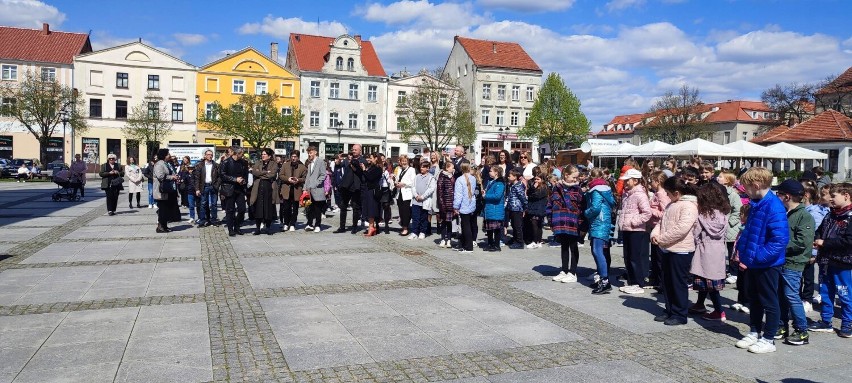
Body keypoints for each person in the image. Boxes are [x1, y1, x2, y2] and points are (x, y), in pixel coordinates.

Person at [734, 167, 789, 354]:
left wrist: (759, 256)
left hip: (767, 263)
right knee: (754, 299)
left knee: (769, 301)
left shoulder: (773, 206)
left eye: (746, 188)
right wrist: (744, 252)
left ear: (756, 185)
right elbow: (750, 231)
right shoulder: (757, 203)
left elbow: (779, 240)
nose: (744, 191)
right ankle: (754, 331)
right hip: (753, 261)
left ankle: (769, 338)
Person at [769, 179, 815, 345]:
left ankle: (802, 330)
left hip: (793, 263)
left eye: (779, 194)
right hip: (781, 261)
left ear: (786, 196)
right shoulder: (784, 212)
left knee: (791, 296)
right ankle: (782, 326)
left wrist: (778, 245)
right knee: (780, 295)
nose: (777, 197)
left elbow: (802, 242)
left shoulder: (804, 216)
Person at [651, 177, 698, 325]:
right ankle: (670, 309)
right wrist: (655, 234)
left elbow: (682, 229)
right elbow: (661, 222)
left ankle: (679, 314)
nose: (666, 195)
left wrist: (662, 238)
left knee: (678, 283)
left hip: (681, 250)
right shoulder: (671, 204)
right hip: (667, 249)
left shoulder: (689, 206)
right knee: (666, 282)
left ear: (676, 193)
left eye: (668, 192)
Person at [810, 182, 852, 338]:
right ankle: (825, 321)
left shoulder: (850, 217)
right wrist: (817, 239)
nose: (831, 199)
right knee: (825, 292)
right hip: (825, 261)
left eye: (834, 196)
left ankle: (848, 323)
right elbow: (819, 231)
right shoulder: (830, 214)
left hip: (843, 263)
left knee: (845, 294)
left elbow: (849, 241)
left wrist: (825, 243)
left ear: (846, 196)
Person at [688, 183, 732, 321]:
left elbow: (695, 234)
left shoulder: (702, 215)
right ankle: (700, 304)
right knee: (710, 280)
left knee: (709, 284)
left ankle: (719, 311)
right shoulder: (723, 214)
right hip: (718, 252)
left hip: (704, 250)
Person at [618, 168, 652, 294]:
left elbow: (647, 213)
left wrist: (633, 221)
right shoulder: (627, 193)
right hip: (626, 228)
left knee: (634, 257)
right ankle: (632, 281)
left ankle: (638, 282)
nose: (625, 182)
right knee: (627, 256)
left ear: (635, 181)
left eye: (628, 180)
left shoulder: (640, 194)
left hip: (636, 230)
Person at [548, 165, 583, 282]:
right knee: (564, 246)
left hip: (573, 223)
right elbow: (550, 205)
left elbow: (582, 207)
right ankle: (564, 270)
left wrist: (581, 223)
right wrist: (550, 221)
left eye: (576, 178)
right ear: (566, 175)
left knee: (573, 247)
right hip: (560, 222)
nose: (575, 180)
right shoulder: (556, 188)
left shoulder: (577, 190)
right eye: (573, 177)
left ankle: (573, 272)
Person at [585, 168, 617, 294]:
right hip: (602, 221)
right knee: (599, 250)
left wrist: (585, 213)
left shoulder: (596, 190)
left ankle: (605, 281)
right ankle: (602, 279)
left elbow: (595, 208)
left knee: (597, 250)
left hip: (599, 222)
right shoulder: (605, 189)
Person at [800, 184, 829, 311]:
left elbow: (814, 233)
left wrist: (813, 252)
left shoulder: (816, 212)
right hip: (802, 248)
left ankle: (807, 299)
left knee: (808, 275)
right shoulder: (804, 210)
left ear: (806, 195)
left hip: (810, 249)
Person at [717, 172, 744, 284]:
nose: (718, 178)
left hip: (731, 227)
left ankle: (734, 273)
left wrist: (729, 222)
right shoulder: (718, 192)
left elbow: (738, 210)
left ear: (727, 180)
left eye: (720, 177)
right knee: (720, 250)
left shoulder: (733, 195)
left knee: (732, 250)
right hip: (720, 225)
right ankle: (722, 270)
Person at [648, 170, 671, 290]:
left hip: (660, 228)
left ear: (657, 182)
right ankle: (656, 279)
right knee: (655, 257)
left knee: (659, 258)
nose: (650, 183)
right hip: (653, 227)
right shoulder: (657, 193)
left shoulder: (662, 194)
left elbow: (665, 213)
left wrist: (650, 210)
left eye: (652, 181)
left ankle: (662, 282)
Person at [336, 144, 366, 233]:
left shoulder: (363, 160)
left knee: (355, 207)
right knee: (343, 206)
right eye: (353, 150)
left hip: (356, 186)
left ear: (360, 151)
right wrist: (338, 162)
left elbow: (361, 171)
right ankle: (342, 227)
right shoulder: (347, 159)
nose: (353, 151)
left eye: (355, 150)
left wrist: (353, 164)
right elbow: (340, 166)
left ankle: (354, 226)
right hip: (346, 185)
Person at [220, 147, 249, 236]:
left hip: (240, 189)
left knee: (242, 209)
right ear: (236, 153)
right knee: (230, 210)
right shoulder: (226, 162)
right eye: (241, 153)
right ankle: (230, 229)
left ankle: (237, 226)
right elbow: (222, 175)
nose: (243, 155)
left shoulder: (243, 162)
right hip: (229, 189)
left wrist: (244, 181)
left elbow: (245, 174)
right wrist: (235, 179)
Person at [278, 151, 306, 232]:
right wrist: (288, 179)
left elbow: (305, 178)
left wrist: (298, 180)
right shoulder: (285, 165)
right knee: (286, 208)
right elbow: (280, 175)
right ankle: (286, 223)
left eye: (295, 156)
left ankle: (293, 224)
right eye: (292, 156)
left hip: (296, 190)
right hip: (287, 189)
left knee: (295, 209)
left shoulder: (302, 167)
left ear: (298, 157)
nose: (293, 158)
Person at [153, 149, 178, 233]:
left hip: (167, 190)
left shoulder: (166, 163)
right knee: (162, 209)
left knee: (166, 209)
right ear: (164, 155)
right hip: (161, 190)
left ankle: (164, 226)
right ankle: (160, 227)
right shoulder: (159, 164)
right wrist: (172, 177)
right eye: (168, 154)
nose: (169, 156)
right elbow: (160, 176)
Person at [408, 161, 436, 240]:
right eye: (421, 167)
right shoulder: (417, 176)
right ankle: (414, 232)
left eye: (423, 167)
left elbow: (431, 189)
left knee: (423, 217)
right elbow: (413, 187)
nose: (421, 168)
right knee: (415, 217)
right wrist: (416, 195)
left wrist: (423, 196)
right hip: (415, 201)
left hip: (424, 201)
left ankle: (422, 232)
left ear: (428, 168)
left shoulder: (431, 178)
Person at [453, 162, 477, 253]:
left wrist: (456, 206)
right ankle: (463, 244)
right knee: (468, 225)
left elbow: (458, 195)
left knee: (465, 226)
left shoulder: (459, 179)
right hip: (471, 204)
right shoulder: (473, 178)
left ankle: (468, 247)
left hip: (463, 205)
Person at [303, 146, 327, 232]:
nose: (309, 154)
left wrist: (316, 183)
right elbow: (308, 177)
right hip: (309, 190)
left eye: (311, 152)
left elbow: (323, 175)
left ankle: (317, 225)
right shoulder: (309, 164)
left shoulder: (320, 162)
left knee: (317, 208)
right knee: (309, 208)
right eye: (308, 153)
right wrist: (305, 188)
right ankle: (309, 224)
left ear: (315, 152)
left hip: (318, 189)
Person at [483, 166, 506, 251]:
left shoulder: (499, 183)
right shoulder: (491, 181)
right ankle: (490, 244)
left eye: (491, 171)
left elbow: (497, 196)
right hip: (489, 208)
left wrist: (486, 196)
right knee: (489, 229)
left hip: (495, 209)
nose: (489, 172)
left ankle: (496, 245)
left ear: (496, 172)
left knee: (496, 229)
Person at [194, 150, 220, 227]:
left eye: (211, 155)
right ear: (205, 156)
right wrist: (197, 189)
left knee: (214, 204)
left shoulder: (216, 165)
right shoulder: (200, 165)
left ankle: (214, 220)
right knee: (203, 204)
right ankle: (202, 220)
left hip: (213, 186)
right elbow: (197, 178)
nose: (210, 156)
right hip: (204, 186)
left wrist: (217, 185)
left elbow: (219, 177)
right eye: (208, 154)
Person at [524, 169, 548, 249]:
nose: (536, 181)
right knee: (535, 224)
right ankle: (537, 241)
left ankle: (536, 241)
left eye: (538, 179)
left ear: (542, 180)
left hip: (539, 208)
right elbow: (528, 193)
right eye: (535, 179)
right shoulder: (534, 186)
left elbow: (536, 196)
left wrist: (533, 190)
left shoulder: (544, 187)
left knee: (536, 224)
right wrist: (532, 190)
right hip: (533, 207)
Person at [505, 169, 528, 249]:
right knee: (514, 225)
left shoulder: (518, 186)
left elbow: (523, 197)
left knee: (517, 226)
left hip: (517, 208)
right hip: (512, 208)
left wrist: (525, 207)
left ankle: (520, 242)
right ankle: (515, 239)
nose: (508, 177)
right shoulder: (511, 185)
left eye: (510, 176)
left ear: (515, 177)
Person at [362, 153, 383, 237]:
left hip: (373, 190)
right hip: (368, 189)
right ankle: (371, 227)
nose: (370, 160)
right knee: (368, 208)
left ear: (376, 159)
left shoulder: (378, 168)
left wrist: (364, 170)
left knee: (371, 209)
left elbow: (370, 178)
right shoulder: (372, 167)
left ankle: (371, 227)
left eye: (371, 158)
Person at [436, 160, 456, 248]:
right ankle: (443, 238)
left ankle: (449, 239)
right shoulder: (442, 177)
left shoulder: (453, 177)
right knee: (443, 222)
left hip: (451, 203)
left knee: (449, 222)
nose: (453, 168)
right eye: (452, 167)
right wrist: (441, 204)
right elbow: (440, 192)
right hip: (444, 203)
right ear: (447, 168)